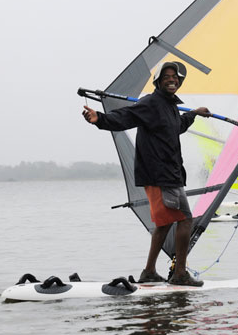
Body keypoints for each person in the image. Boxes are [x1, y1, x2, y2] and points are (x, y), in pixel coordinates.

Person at [82, 61, 210, 287]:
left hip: (168, 173)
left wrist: (194, 113)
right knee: (185, 219)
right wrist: (100, 119)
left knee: (164, 223)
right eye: (167, 76)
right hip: (160, 174)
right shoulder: (151, 103)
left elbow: (177, 126)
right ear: (158, 81)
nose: (172, 80)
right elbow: (126, 116)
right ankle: (180, 273)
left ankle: (149, 272)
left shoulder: (169, 106)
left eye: (176, 77)